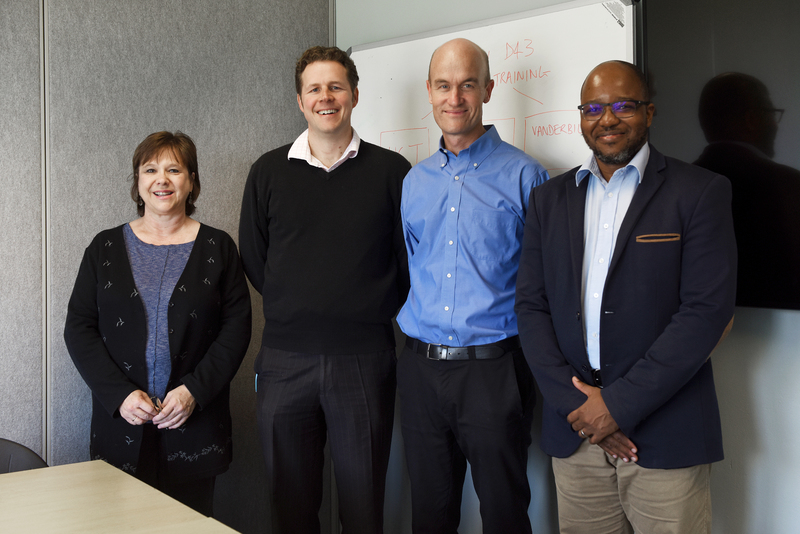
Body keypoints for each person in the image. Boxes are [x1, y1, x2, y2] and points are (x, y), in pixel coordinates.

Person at [515, 60, 737, 533]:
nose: (607, 118)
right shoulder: (549, 201)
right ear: (580, 117)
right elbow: (531, 308)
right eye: (593, 107)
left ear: (650, 113)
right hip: (577, 441)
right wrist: (581, 412)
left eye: (623, 105)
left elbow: (705, 314)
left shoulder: (699, 192)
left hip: (666, 435)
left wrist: (615, 407)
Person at [238, 46, 411, 534]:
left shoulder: (392, 171)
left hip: (364, 360)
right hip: (284, 362)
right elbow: (254, 254)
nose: (325, 97)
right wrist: (298, 304)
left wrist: (367, 308)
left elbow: (407, 261)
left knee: (362, 508)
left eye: (336, 86)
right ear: (299, 100)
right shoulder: (268, 172)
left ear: (354, 95)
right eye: (314, 88)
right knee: (290, 510)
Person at [396, 38, 549, 534]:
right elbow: (412, 261)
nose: (454, 98)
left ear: (487, 88)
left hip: (494, 371)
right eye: (444, 85)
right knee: (430, 516)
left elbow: (542, 282)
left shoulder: (527, 176)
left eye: (467, 84)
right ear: (429, 90)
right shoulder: (414, 182)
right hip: (420, 370)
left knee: (504, 514)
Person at [64, 131, 252, 516]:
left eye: (174, 169)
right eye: (150, 169)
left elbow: (237, 328)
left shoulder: (219, 248)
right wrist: (119, 394)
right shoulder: (104, 248)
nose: (161, 179)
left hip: (194, 421)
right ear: (137, 181)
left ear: (192, 181)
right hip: (121, 423)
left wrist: (192, 392)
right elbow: (79, 327)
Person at [694, 72, 800, 308]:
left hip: (703, 338)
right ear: (751, 119)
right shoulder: (790, 186)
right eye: (771, 114)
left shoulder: (677, 189)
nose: (775, 124)